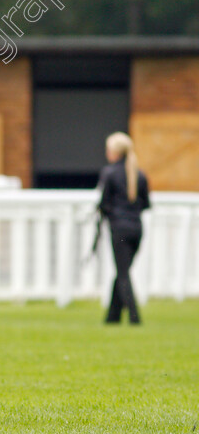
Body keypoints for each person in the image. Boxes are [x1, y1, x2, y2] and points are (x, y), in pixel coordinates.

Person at [98, 132, 150, 325]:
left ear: (113, 152)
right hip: (137, 229)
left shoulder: (109, 173)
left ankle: (134, 316)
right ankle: (112, 317)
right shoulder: (140, 174)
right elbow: (145, 204)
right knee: (123, 270)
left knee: (122, 273)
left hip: (119, 230)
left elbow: (104, 204)